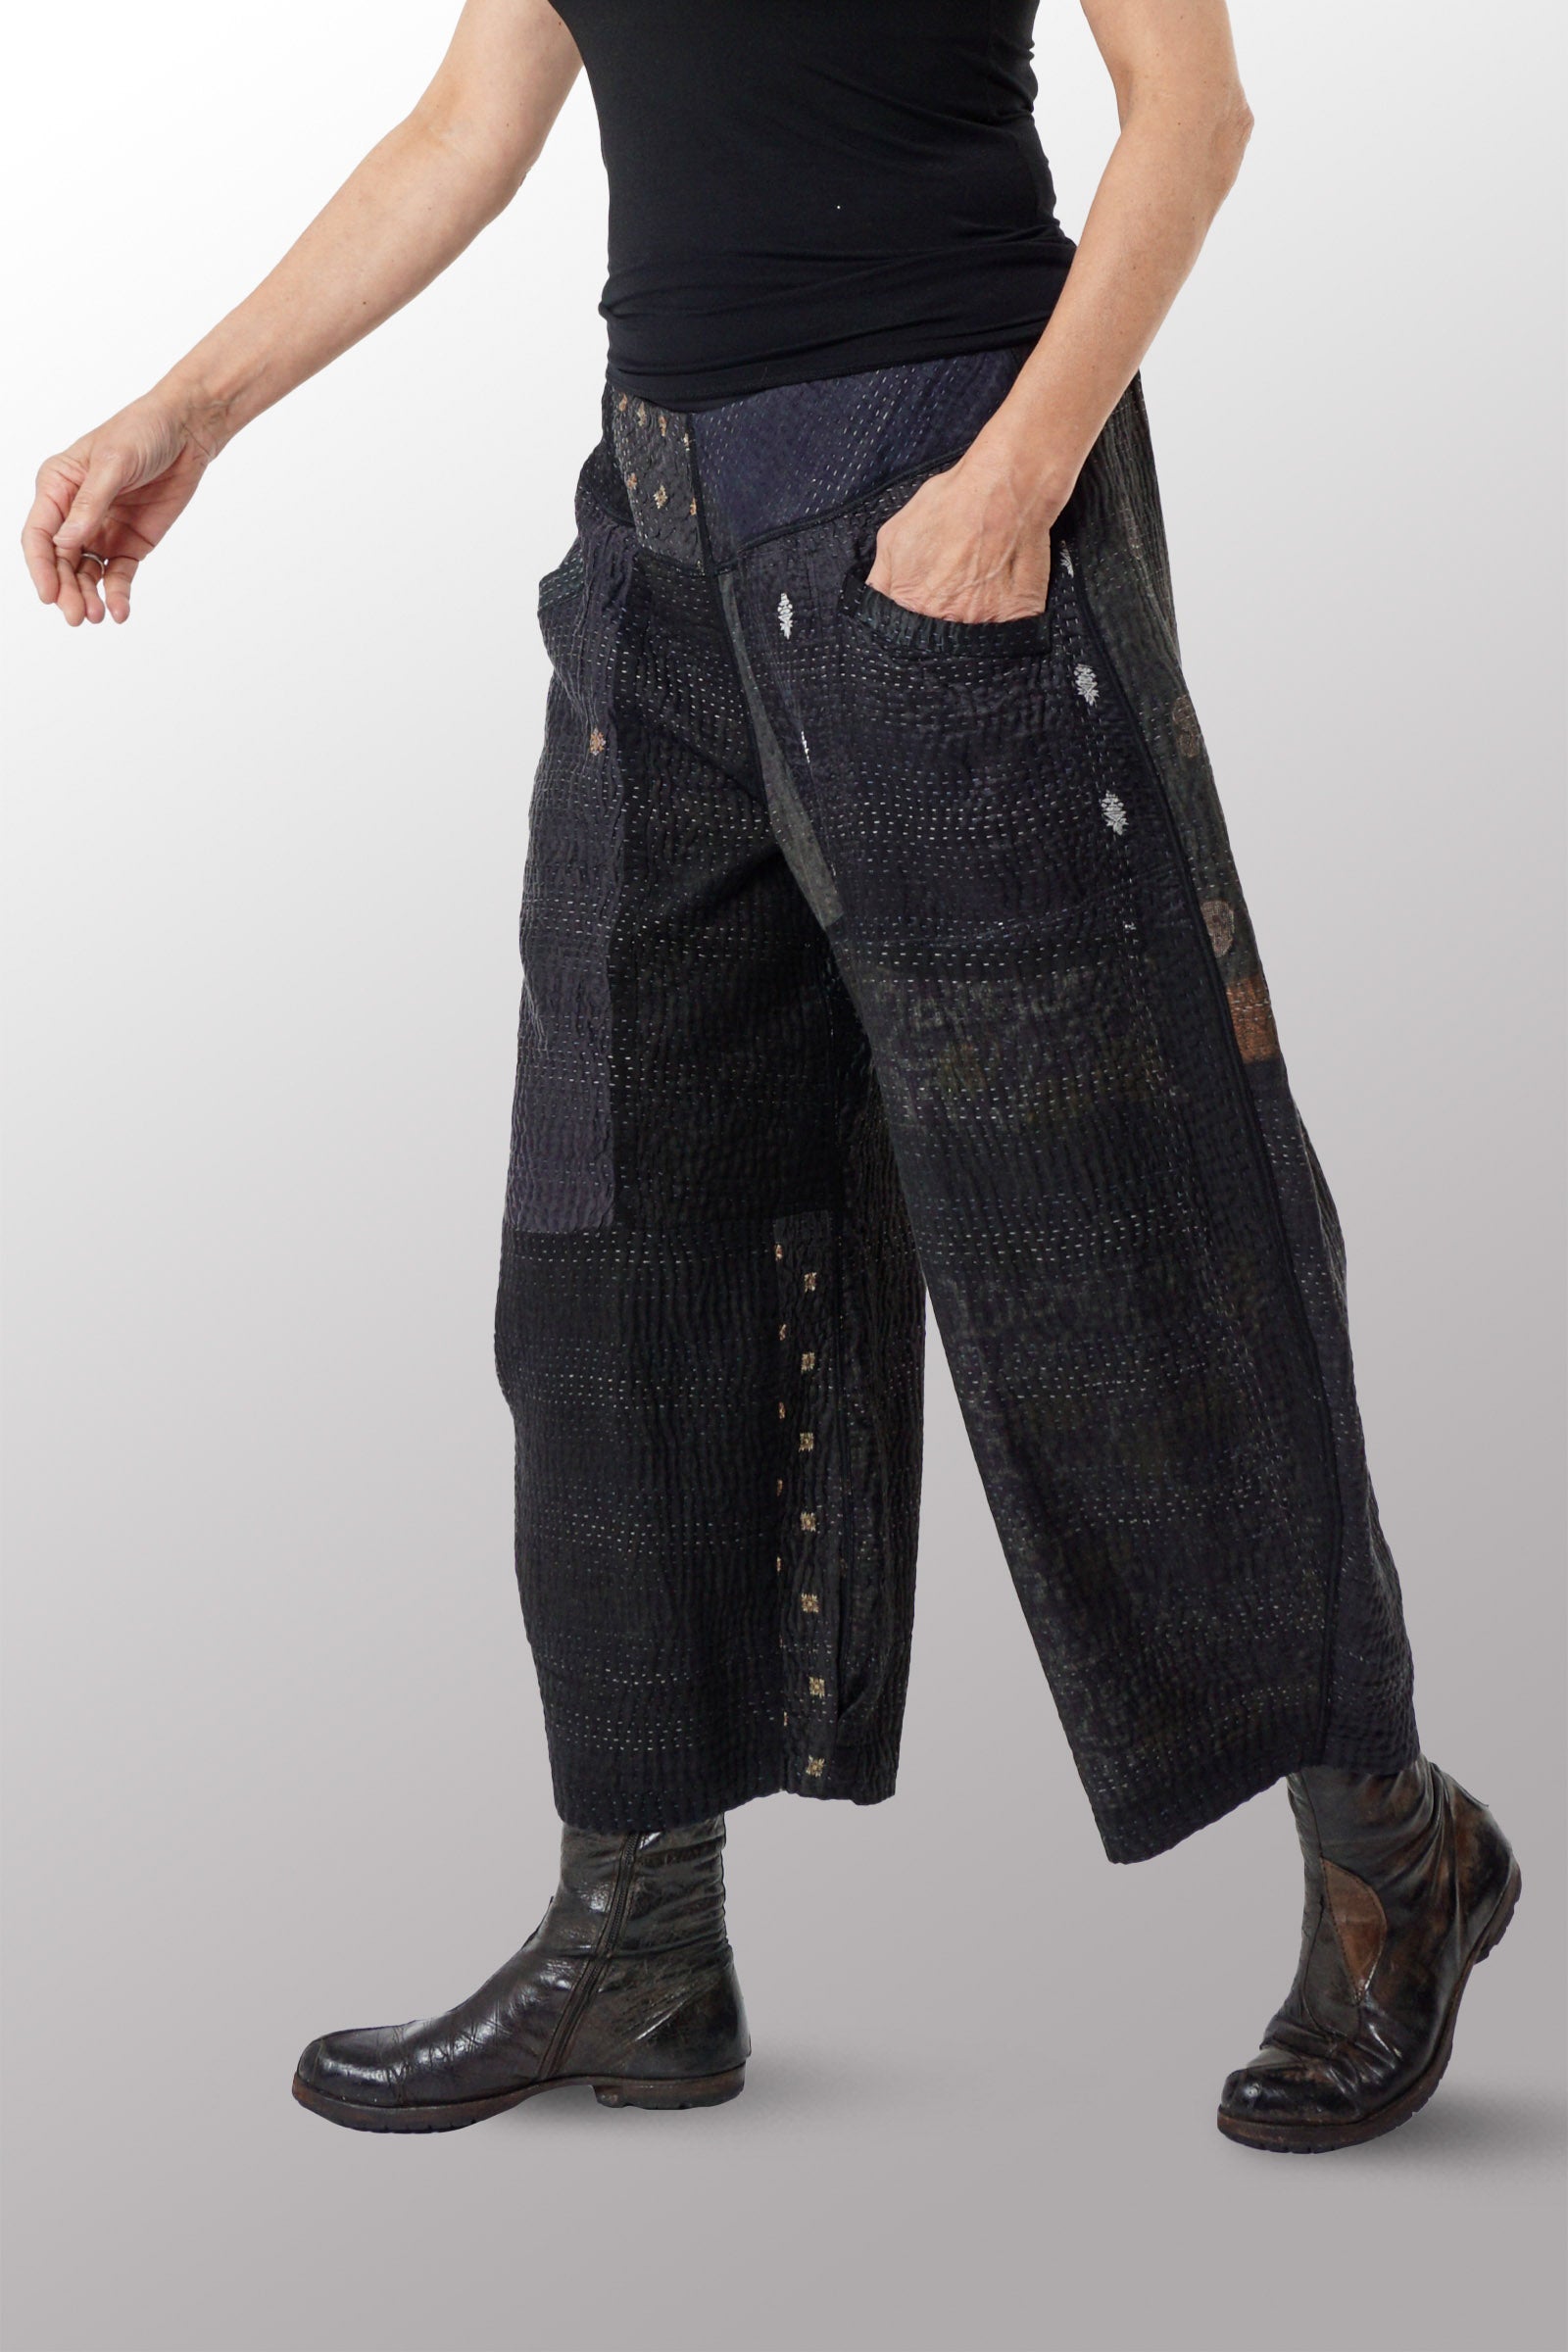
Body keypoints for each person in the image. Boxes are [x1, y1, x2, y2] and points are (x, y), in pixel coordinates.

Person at [22, 0, 1520, 2155]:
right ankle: (639, 1936)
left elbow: (1188, 116)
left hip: (947, 492)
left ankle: (1392, 1852)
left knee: (1119, 1217)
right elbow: (465, 125)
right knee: (626, 1222)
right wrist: (193, 407)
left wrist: (1015, 481)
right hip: (659, 536)